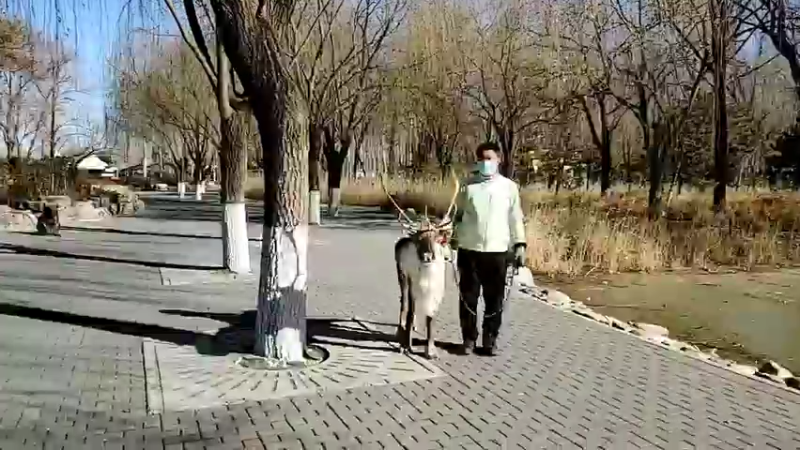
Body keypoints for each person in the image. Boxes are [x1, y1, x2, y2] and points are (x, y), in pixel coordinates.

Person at [451, 141, 526, 356]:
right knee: (468, 298)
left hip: (497, 251)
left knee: (494, 300)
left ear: (499, 160)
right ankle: (468, 339)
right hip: (469, 249)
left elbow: (515, 218)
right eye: (482, 159)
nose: (486, 163)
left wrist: (520, 244)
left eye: (490, 158)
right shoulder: (468, 186)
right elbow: (457, 215)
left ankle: (490, 339)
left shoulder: (508, 187)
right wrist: (452, 237)